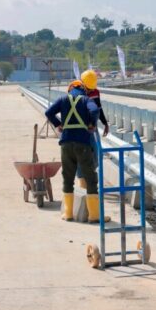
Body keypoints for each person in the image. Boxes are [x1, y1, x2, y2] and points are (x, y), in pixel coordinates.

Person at [45, 79, 108, 223]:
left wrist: (58, 124)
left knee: (68, 178)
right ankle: (94, 215)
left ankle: (68, 213)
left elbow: (48, 112)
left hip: (66, 143)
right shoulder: (86, 100)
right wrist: (91, 124)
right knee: (91, 179)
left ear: (70, 89)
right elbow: (94, 110)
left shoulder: (62, 99)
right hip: (83, 144)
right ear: (83, 89)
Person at [76, 69, 109, 189]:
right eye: (88, 88)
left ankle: (91, 177)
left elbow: (98, 108)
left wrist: (105, 123)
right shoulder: (75, 92)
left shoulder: (95, 92)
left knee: (96, 153)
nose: (90, 90)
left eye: (91, 88)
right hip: (78, 129)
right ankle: (82, 182)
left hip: (91, 128)